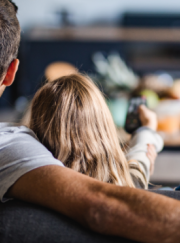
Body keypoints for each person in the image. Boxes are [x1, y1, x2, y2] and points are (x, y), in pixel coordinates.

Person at [0, 0, 180, 243]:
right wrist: (147, 133)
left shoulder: (23, 157)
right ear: (11, 72)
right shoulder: (10, 147)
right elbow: (123, 189)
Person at [29, 74, 163, 189]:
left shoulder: (34, 186)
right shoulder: (125, 189)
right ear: (104, 129)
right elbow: (137, 170)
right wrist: (146, 130)